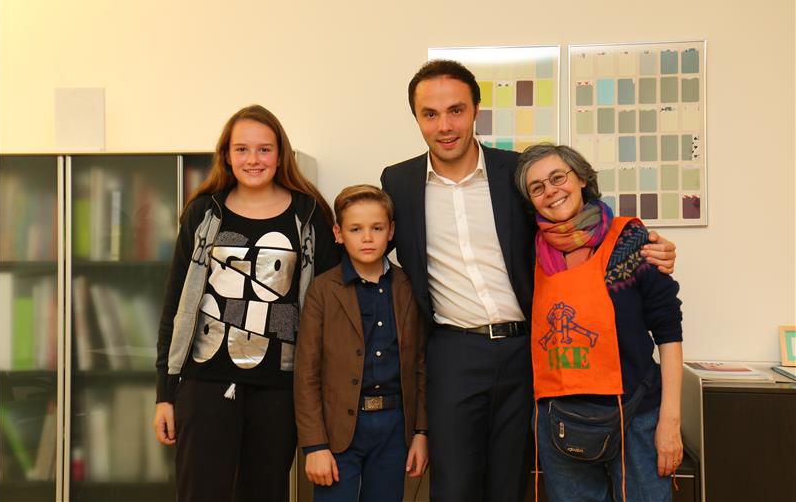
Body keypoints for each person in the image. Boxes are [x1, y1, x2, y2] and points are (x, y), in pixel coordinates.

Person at [380, 59, 678, 502]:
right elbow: (369, 242)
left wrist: (647, 246)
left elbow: (575, 220)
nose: (444, 125)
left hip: (527, 352)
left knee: (512, 483)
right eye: (430, 114)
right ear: (416, 118)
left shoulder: (516, 173)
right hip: (453, 351)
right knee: (454, 487)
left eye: (456, 110)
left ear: (476, 110)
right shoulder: (398, 181)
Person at [152, 104, 339, 502]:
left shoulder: (308, 215)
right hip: (204, 383)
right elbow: (175, 306)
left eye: (264, 149)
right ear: (226, 155)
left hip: (280, 389)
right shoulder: (204, 213)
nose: (253, 159)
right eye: (242, 149)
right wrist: (164, 395)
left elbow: (329, 309)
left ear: (280, 154)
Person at [515, 143, 683, 502]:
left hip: (637, 416)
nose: (551, 191)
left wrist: (670, 420)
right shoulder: (529, 254)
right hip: (559, 420)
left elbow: (668, 330)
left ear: (581, 179)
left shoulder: (631, 242)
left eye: (558, 178)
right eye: (537, 187)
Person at [294, 184, 429, 502]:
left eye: (376, 228)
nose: (367, 238)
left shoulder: (408, 286)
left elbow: (421, 365)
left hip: (394, 428)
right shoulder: (322, 290)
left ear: (391, 231)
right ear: (339, 234)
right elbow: (306, 373)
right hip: (337, 431)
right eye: (356, 229)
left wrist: (421, 433)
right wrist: (314, 445)